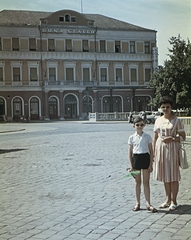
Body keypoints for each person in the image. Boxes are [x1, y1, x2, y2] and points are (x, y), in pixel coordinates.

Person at [153, 96, 186, 211]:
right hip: (160, 149)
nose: (165, 109)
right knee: (165, 175)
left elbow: (183, 137)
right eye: (163, 107)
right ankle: (167, 199)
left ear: (171, 108)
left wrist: (172, 139)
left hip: (172, 149)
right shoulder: (158, 120)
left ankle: (174, 201)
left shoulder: (177, 121)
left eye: (168, 107)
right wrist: (153, 152)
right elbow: (155, 137)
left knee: (173, 175)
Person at [128, 116, 157, 212]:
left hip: (145, 158)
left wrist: (150, 164)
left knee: (146, 182)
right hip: (136, 159)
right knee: (137, 182)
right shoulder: (132, 137)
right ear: (134, 126)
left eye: (141, 125)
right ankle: (137, 203)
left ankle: (148, 203)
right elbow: (130, 152)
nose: (139, 127)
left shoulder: (147, 136)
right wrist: (131, 166)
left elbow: (151, 150)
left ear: (144, 125)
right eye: (137, 125)